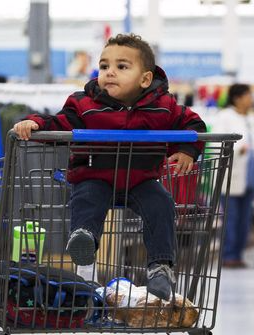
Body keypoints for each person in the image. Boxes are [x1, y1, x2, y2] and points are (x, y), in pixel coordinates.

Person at [13, 33, 206, 300]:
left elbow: (193, 124)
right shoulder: (84, 103)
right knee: (87, 197)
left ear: (145, 79)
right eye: (104, 66)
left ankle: (160, 267)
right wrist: (35, 123)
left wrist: (187, 150)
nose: (110, 73)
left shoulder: (163, 107)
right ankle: (84, 239)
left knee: (161, 203)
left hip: (141, 179)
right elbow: (60, 122)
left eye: (122, 67)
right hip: (95, 174)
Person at [211, 83, 254, 268]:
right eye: (248, 95)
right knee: (231, 218)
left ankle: (238, 254)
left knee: (244, 220)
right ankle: (229, 255)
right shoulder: (225, 117)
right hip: (230, 176)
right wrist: (238, 149)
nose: (250, 99)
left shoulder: (250, 118)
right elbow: (216, 145)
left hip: (248, 176)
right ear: (237, 97)